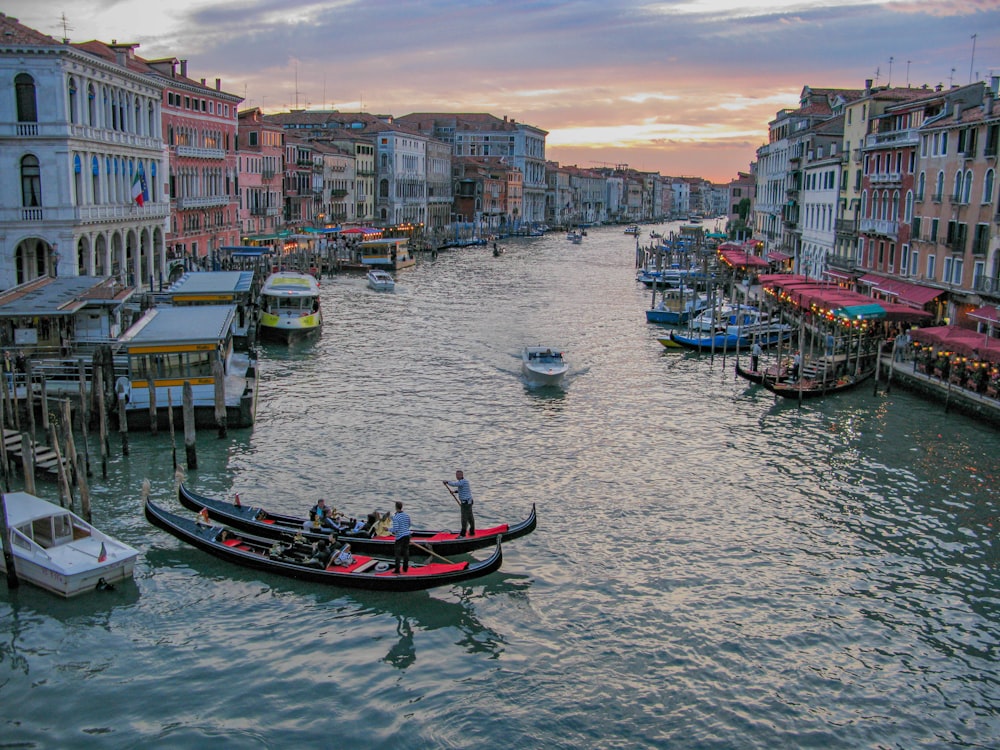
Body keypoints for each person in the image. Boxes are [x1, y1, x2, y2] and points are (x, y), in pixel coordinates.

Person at [445, 469, 475, 537]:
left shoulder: (463, 482)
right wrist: (454, 492)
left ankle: (463, 534)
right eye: (456, 475)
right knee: (470, 517)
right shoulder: (462, 482)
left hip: (466, 503)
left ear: (462, 475)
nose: (457, 476)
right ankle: (472, 531)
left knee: (464, 518)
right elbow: (460, 489)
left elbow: (455, 484)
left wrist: (447, 482)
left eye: (458, 475)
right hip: (468, 502)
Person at [391, 501, 411, 574]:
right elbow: (409, 525)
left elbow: (395, 529)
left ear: (396, 507)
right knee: (406, 552)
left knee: (398, 554)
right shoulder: (406, 515)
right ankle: (405, 568)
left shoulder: (396, 517)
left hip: (400, 537)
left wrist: (388, 529)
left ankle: (397, 570)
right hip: (407, 535)